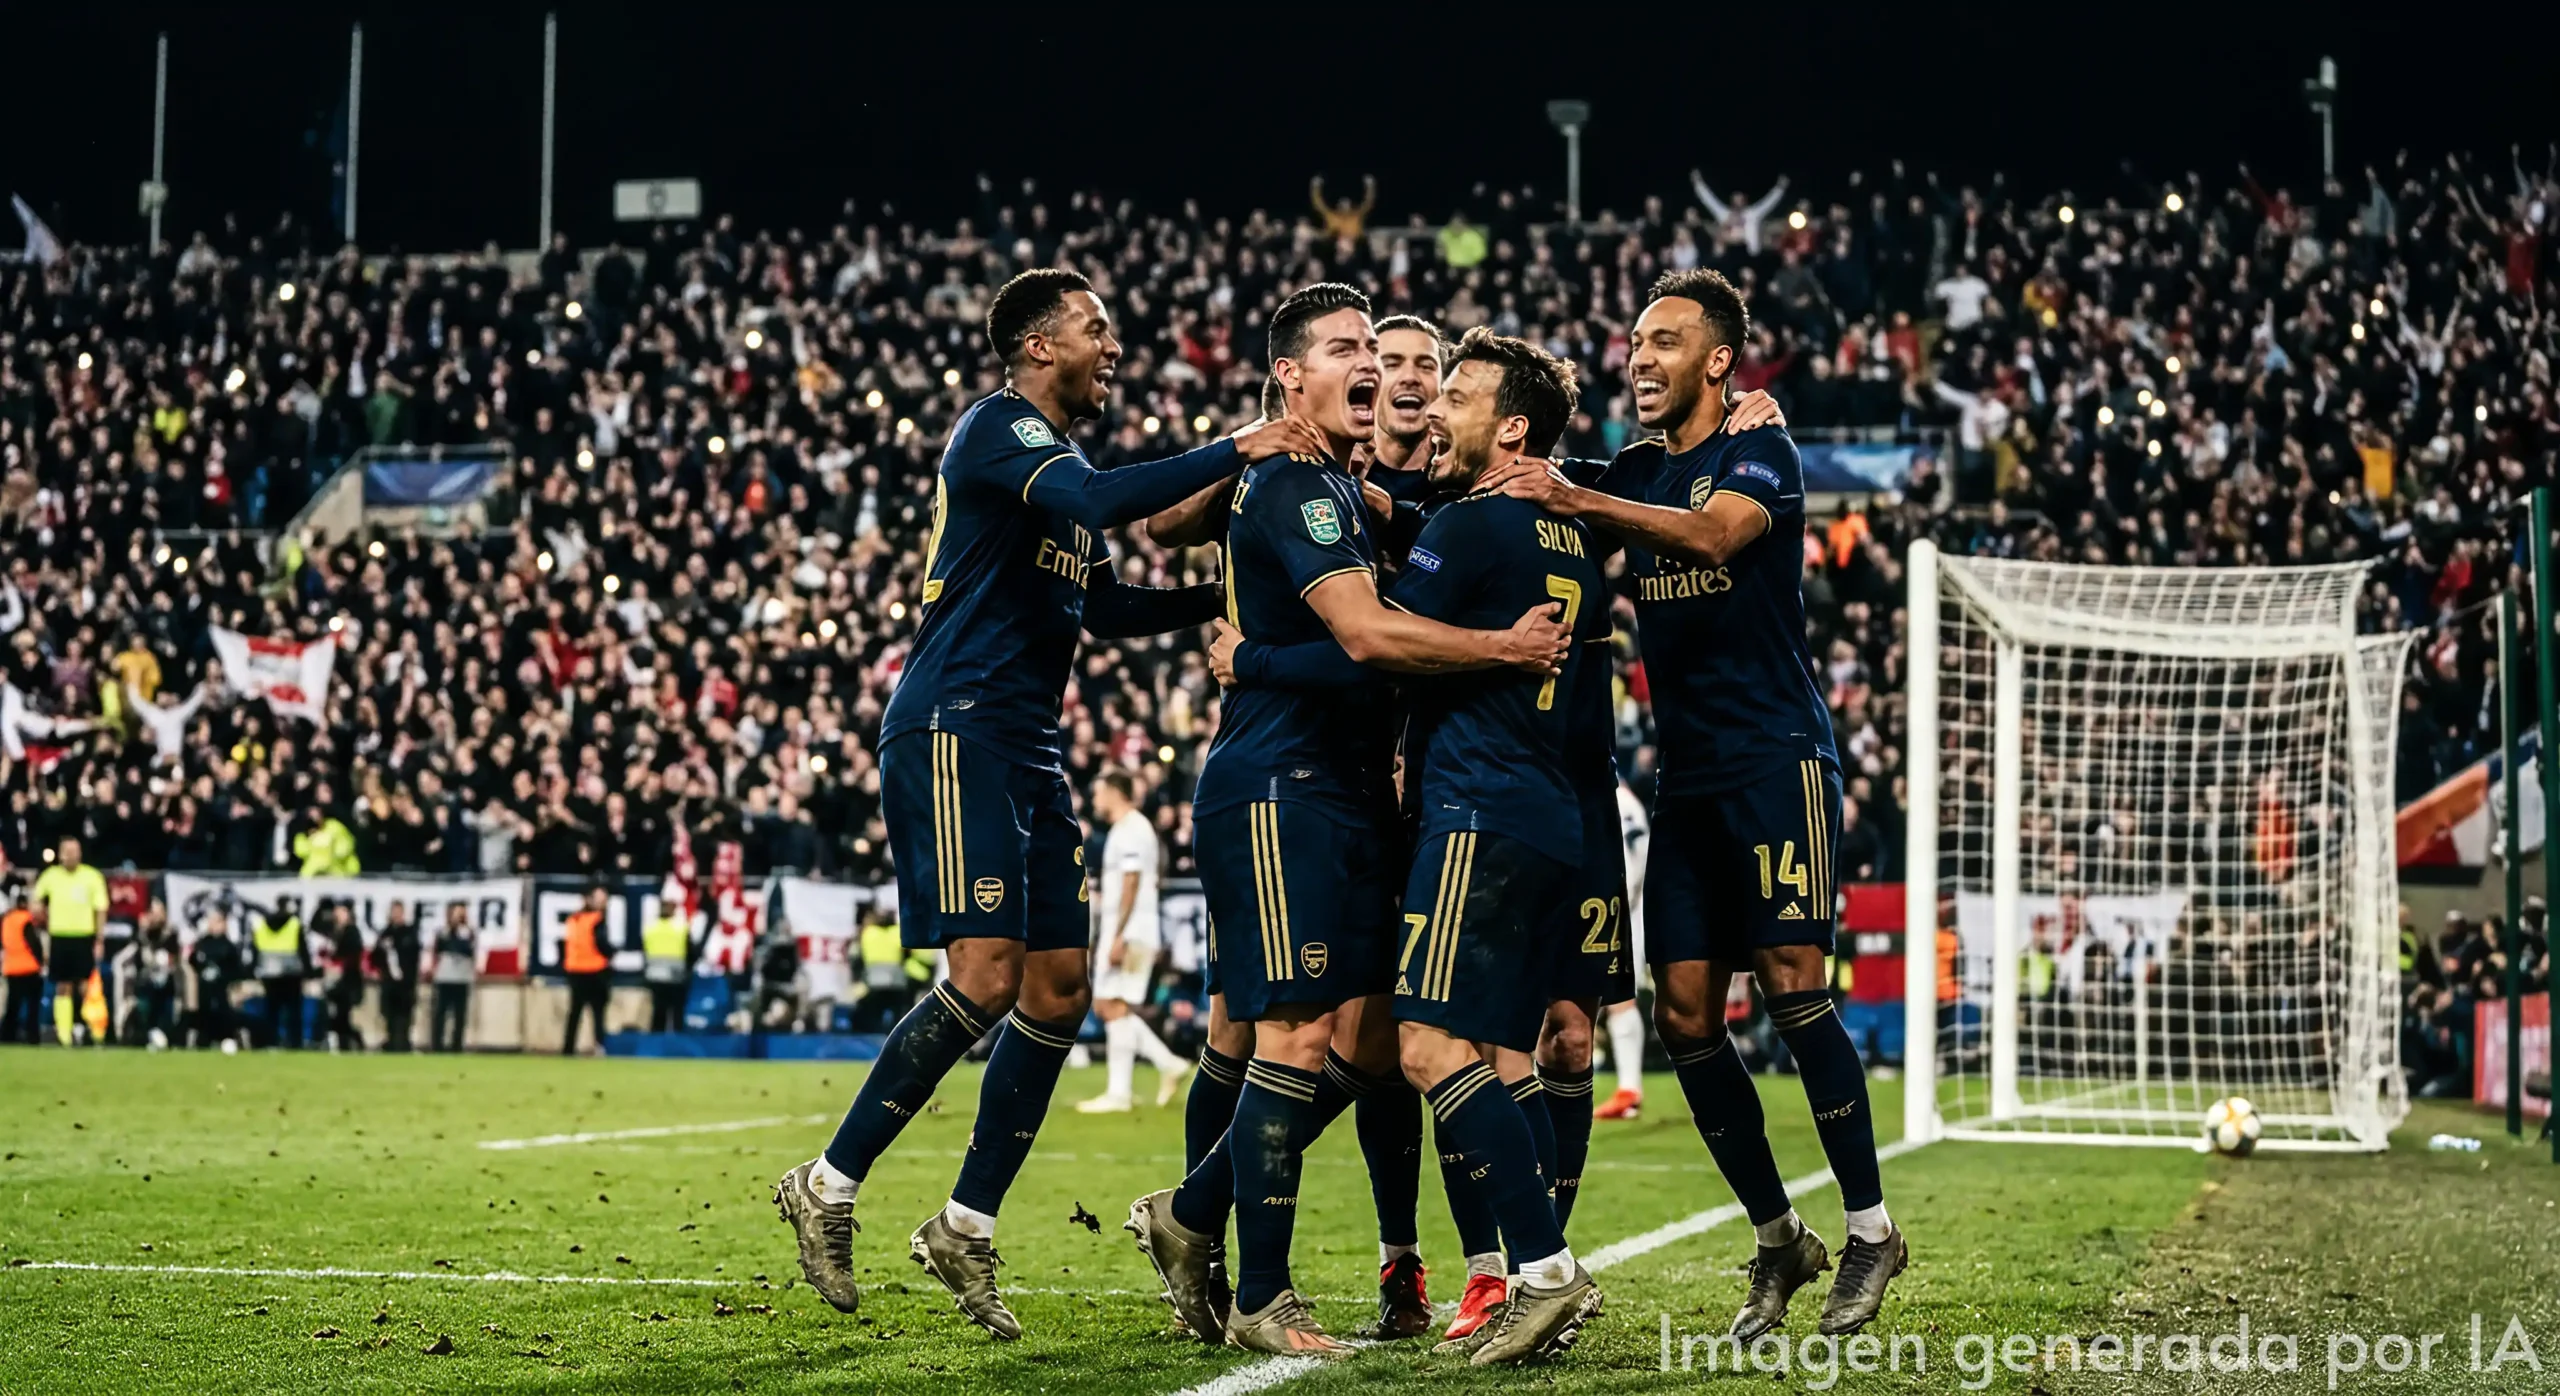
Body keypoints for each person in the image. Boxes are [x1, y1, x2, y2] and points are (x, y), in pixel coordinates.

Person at [774, 266, 1330, 1339]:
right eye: (1094, 328)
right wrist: (1243, 444)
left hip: (1026, 744)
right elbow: (1101, 500)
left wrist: (1222, 600)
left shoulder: (1057, 471)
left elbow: (1103, 606)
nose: (1112, 346)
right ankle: (828, 1184)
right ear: (1039, 346)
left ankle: (964, 1226)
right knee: (985, 976)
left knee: (1060, 990)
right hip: (956, 724)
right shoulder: (1000, 433)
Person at [1124, 283, 1569, 1357]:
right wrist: (1504, 648)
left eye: (1375, 345)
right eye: (1343, 349)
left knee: (1371, 1047)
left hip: (1353, 792)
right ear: (1289, 379)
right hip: (1284, 788)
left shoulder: (1344, 488)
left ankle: (1191, 1213)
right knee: (1285, 1034)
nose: (1370, 362)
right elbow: (1368, 636)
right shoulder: (1293, 483)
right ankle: (1261, 1293)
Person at [1495, 268, 1904, 1337]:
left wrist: (1576, 500)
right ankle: (1779, 1236)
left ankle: (1871, 1230)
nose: (1640, 358)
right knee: (1682, 1016)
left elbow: (1718, 536)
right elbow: (1535, 488)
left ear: (1718, 362)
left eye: (1665, 341)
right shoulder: (1634, 468)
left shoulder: (1761, 452)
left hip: (1776, 759)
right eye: (1636, 341)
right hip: (1684, 780)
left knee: (1793, 987)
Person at [1374, 329, 1612, 1363]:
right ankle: (1528, 1275)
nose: (1436, 408)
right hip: (1548, 815)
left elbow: (1379, 643)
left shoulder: (1467, 528)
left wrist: (1253, 654)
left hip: (1478, 811)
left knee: (1425, 1048)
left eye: (1459, 396)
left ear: (1512, 428)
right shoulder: (1572, 539)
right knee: (1508, 1057)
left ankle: (1545, 1271)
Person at [1075, 770, 1191, 1113]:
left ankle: (1120, 1092)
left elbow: (1131, 881)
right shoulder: (1131, 829)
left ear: (1116, 792)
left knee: (1113, 1005)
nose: (1095, 800)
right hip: (1129, 929)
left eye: (1099, 792)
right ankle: (1167, 1064)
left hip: (1130, 931)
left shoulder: (1132, 830)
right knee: (1111, 1006)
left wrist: (1119, 935)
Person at [32, 837, 112, 1046]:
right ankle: (64, 1035)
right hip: (59, 936)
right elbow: (36, 900)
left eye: (74, 851)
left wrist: (99, 938)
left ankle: (95, 1032)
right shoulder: (51, 876)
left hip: (83, 936)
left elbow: (101, 909)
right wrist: (40, 914)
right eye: (67, 851)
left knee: (87, 986)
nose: (71, 855)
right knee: (63, 985)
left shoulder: (92, 876)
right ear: (60, 854)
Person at [249, 894, 310, 1048]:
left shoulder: (261, 925)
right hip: (292, 975)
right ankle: (294, 1043)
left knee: (271, 1012)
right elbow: (303, 952)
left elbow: (254, 952)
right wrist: (308, 972)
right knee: (293, 1013)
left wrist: (251, 972)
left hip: (268, 974)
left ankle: (270, 1042)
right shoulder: (294, 924)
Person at [561, 883, 612, 1055]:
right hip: (595, 970)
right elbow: (601, 943)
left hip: (575, 970)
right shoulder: (597, 919)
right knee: (598, 1013)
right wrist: (612, 953)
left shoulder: (573, 919)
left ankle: (568, 1048)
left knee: (575, 1012)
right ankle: (599, 1045)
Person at [187, 908, 246, 1050]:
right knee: (204, 1013)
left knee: (224, 1012)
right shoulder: (202, 943)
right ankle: (203, 1040)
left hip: (223, 988)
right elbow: (193, 961)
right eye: (212, 921)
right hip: (205, 988)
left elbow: (235, 968)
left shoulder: (228, 945)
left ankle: (227, 1038)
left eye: (218, 921)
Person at [127, 904, 183, 1048]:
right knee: (144, 1003)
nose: (157, 917)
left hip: (166, 981)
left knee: (167, 1003)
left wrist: (166, 963)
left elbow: (174, 958)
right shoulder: (142, 935)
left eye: (159, 913)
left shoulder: (171, 934)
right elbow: (138, 960)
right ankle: (144, 1035)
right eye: (154, 913)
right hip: (146, 981)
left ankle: (167, 1036)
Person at [642, 886, 694, 1033]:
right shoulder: (681, 928)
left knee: (658, 1015)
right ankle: (677, 1044)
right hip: (676, 978)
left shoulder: (650, 927)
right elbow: (691, 953)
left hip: (655, 977)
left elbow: (644, 952)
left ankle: (656, 1044)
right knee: (677, 1016)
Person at [373, 902, 423, 1052]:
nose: (396, 915)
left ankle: (403, 1043)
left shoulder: (409, 932)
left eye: (398, 911)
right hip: (389, 982)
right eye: (393, 911)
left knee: (404, 1015)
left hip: (406, 983)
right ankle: (391, 1042)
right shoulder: (385, 933)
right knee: (388, 1014)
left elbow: (414, 956)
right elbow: (376, 957)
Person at [321, 903, 367, 1052]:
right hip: (338, 980)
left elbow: (352, 956)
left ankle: (352, 1040)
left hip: (348, 981)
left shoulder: (351, 932)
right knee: (339, 1016)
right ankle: (346, 1042)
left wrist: (337, 963)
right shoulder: (335, 933)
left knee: (342, 1016)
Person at [430, 903, 476, 1052]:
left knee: (460, 1015)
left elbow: (467, 949)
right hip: (444, 977)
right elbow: (441, 947)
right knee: (440, 1013)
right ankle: (437, 1045)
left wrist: (460, 938)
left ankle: (457, 1045)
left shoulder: (469, 933)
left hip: (462, 978)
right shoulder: (442, 932)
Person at [2, 888, 41, 1044]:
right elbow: (33, 943)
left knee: (12, 1006)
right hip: (29, 967)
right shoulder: (25, 919)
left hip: (11, 968)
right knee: (32, 1006)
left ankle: (7, 1036)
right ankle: (32, 1036)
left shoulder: (7, 920)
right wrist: (40, 960)